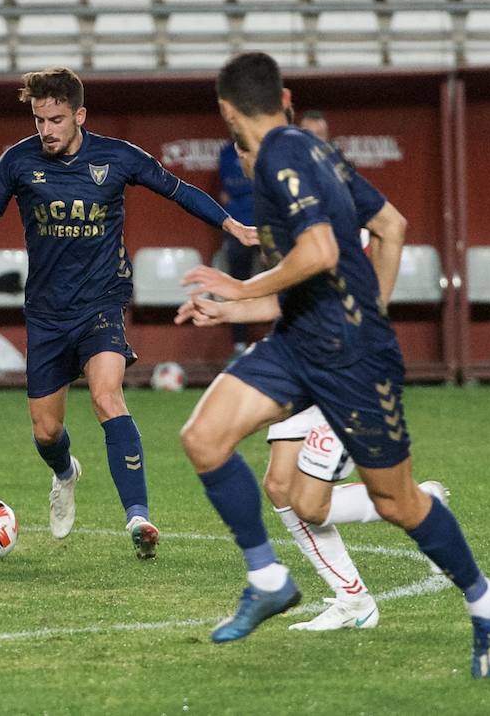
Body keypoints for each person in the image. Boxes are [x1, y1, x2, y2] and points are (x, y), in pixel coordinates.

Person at [176, 52, 490, 678]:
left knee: (397, 502)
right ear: (286, 96)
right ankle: (270, 577)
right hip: (303, 339)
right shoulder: (315, 150)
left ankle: (487, 601)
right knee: (204, 438)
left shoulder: (279, 154)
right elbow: (390, 225)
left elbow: (322, 250)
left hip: (352, 357)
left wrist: (243, 289)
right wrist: (250, 308)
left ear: (226, 111)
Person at [0, 67, 258, 560]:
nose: (47, 129)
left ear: (79, 115)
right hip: (45, 312)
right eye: (39, 119)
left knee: (108, 398)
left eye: (57, 119)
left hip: (102, 301)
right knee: (46, 430)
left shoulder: (118, 157)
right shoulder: (17, 162)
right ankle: (65, 474)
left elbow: (177, 189)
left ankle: (138, 518)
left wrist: (230, 223)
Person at [188, 139, 451, 632]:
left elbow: (373, 254)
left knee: (305, 499)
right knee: (282, 488)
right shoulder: (291, 213)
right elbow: (287, 302)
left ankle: (416, 512)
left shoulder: (328, 216)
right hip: (299, 358)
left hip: (337, 364)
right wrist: (227, 309)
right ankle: (354, 597)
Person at [215, 140, 258, 356]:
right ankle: (240, 346)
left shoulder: (268, 146)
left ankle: (286, 341)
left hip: (269, 223)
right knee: (238, 285)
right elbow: (230, 186)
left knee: (286, 282)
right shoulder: (226, 153)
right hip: (238, 228)